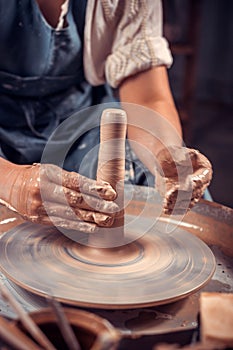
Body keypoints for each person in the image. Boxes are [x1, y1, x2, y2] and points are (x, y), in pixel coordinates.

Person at [0, 0, 212, 233]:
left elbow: (147, 97)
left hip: (80, 122)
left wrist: (166, 155)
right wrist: (11, 182)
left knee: (184, 201)